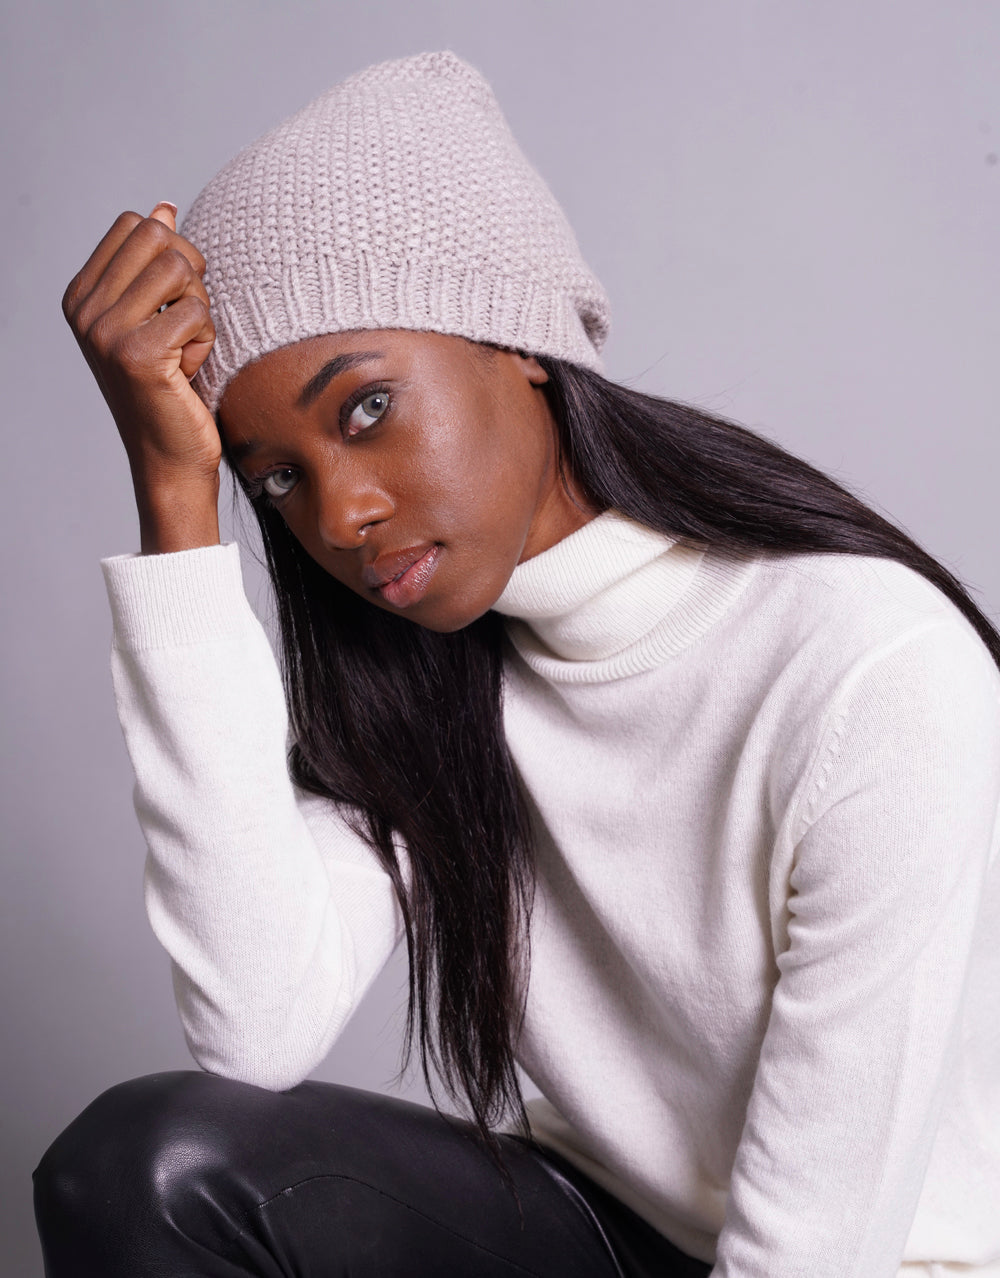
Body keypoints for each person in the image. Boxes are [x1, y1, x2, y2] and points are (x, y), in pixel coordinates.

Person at [34, 50, 1000, 1278]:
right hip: (600, 1232)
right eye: (275, 480)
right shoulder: (426, 678)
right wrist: (176, 494)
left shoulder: (868, 667)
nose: (340, 515)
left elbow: (813, 1255)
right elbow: (253, 1022)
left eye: (366, 409)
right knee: (146, 1163)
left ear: (521, 339)